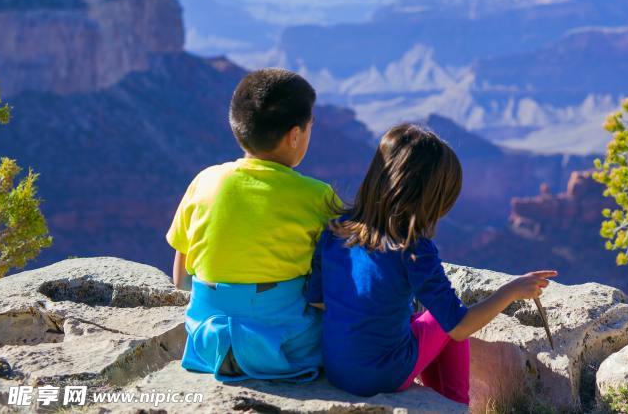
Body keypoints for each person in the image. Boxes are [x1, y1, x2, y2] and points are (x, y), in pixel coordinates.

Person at [308, 123, 556, 405]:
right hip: (382, 375)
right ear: (429, 196)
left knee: (422, 319)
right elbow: (459, 326)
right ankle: (454, 405)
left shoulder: (336, 229)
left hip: (337, 369)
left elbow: (318, 301)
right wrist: (512, 290)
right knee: (445, 319)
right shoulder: (413, 248)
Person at [166, 68, 339, 382]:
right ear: (295, 135)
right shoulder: (318, 196)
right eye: (310, 126)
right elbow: (340, 278)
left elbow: (180, 276)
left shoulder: (205, 181)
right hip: (287, 348)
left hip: (208, 344)